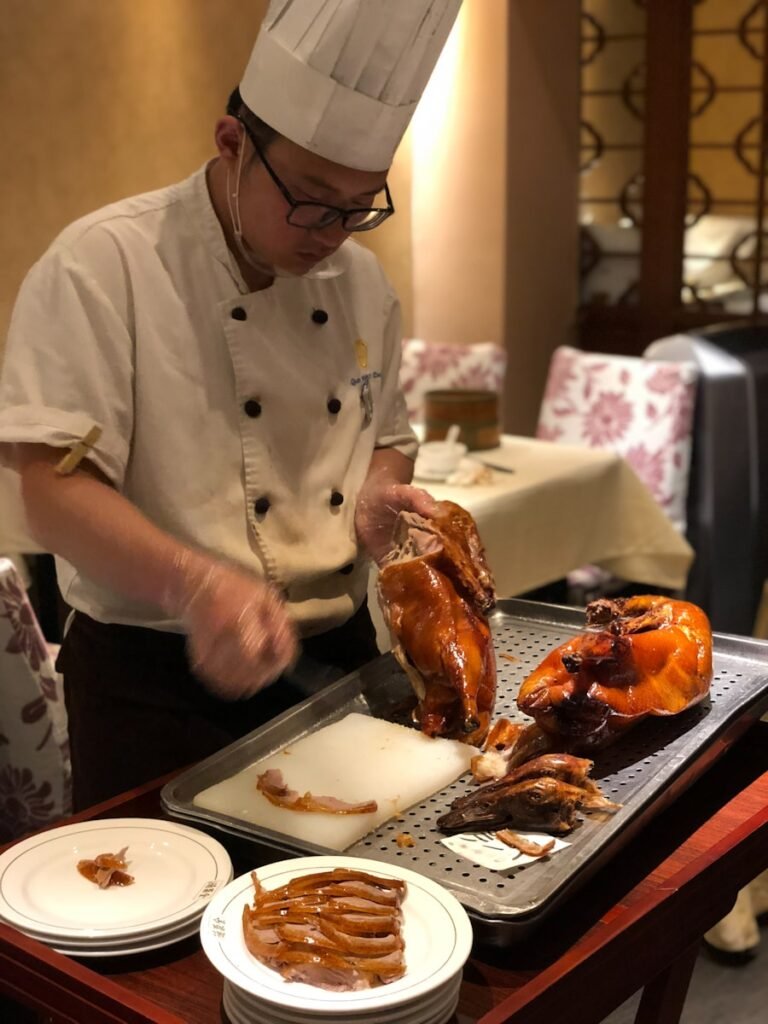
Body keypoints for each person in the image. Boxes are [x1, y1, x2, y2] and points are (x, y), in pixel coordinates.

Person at [0, 0, 462, 810]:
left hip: (339, 662)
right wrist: (196, 586)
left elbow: (387, 436)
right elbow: (51, 494)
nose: (332, 232)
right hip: (152, 683)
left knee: (360, 913)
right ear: (232, 143)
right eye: (313, 199)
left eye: (359, 207)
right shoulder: (103, 266)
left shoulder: (362, 283)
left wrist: (380, 497)